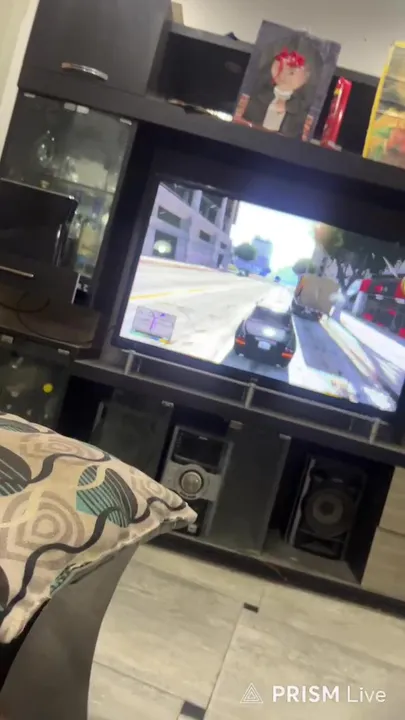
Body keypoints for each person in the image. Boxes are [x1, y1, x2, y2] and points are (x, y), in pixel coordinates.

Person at [242, 36, 322, 138]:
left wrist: (287, 106)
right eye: (279, 67)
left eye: (292, 72)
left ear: (307, 76)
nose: (283, 76)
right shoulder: (262, 90)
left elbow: (301, 109)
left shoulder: (300, 103)